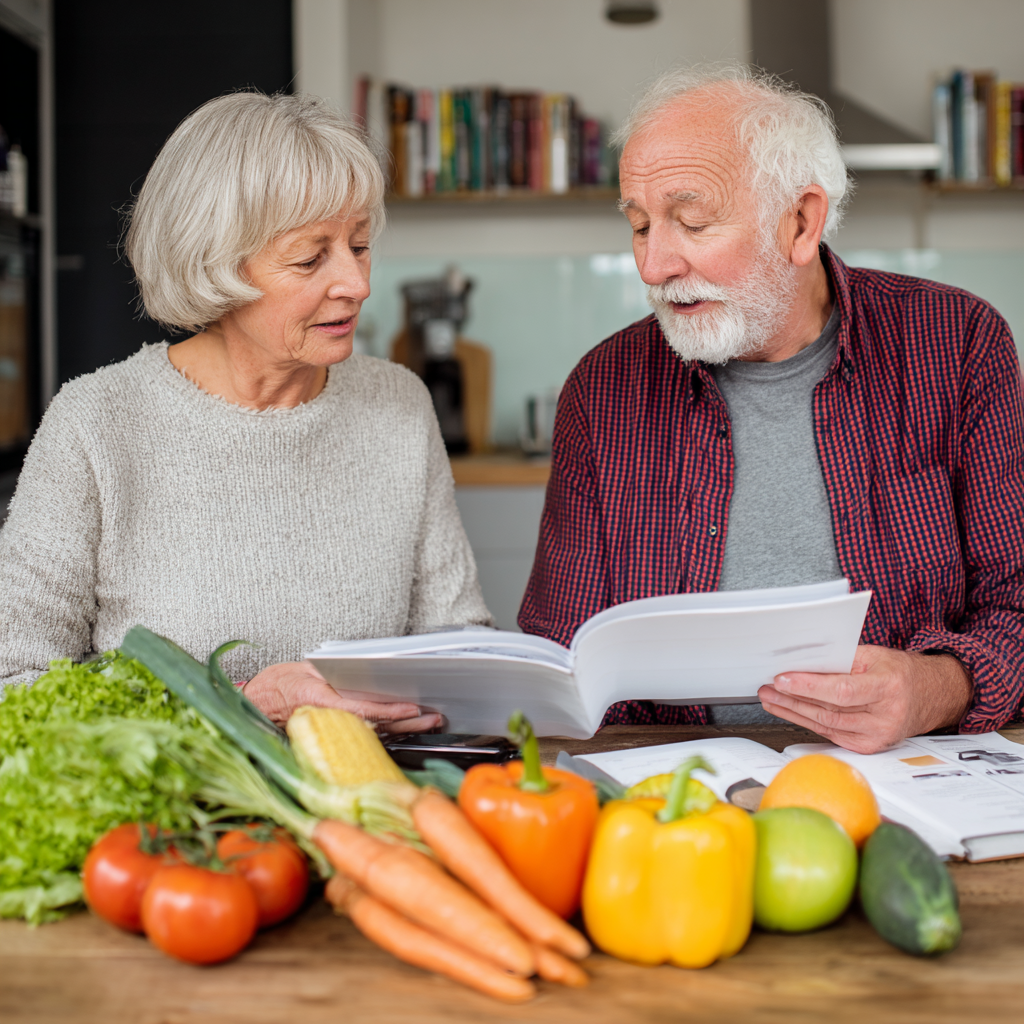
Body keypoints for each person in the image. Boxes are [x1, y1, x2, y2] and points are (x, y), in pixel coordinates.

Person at [519, 64, 1024, 754]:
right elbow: (558, 655)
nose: (654, 264)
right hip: (673, 801)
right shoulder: (602, 388)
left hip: (905, 776)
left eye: (692, 221)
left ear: (800, 222)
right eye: (640, 226)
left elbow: (1017, 603)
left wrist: (933, 686)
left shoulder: (957, 343)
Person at [0, 92, 490, 728]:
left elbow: (461, 641)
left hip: (368, 804)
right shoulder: (97, 422)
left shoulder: (399, 404)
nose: (357, 284)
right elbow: (15, 683)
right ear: (218, 267)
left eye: (360, 245)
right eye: (311, 257)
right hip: (166, 815)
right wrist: (240, 710)